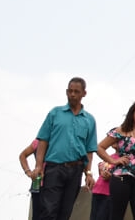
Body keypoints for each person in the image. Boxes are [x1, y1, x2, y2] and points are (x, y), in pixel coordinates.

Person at [31, 76, 98, 220]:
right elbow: (43, 141)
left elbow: (89, 150)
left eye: (76, 91)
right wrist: (38, 166)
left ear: (84, 93)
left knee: (65, 212)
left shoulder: (89, 120)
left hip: (76, 170)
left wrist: (88, 173)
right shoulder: (55, 113)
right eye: (70, 91)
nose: (72, 94)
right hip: (54, 168)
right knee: (49, 210)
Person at [97, 99, 135, 220]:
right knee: (116, 216)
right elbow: (99, 147)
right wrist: (113, 160)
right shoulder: (122, 130)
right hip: (121, 178)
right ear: (132, 113)